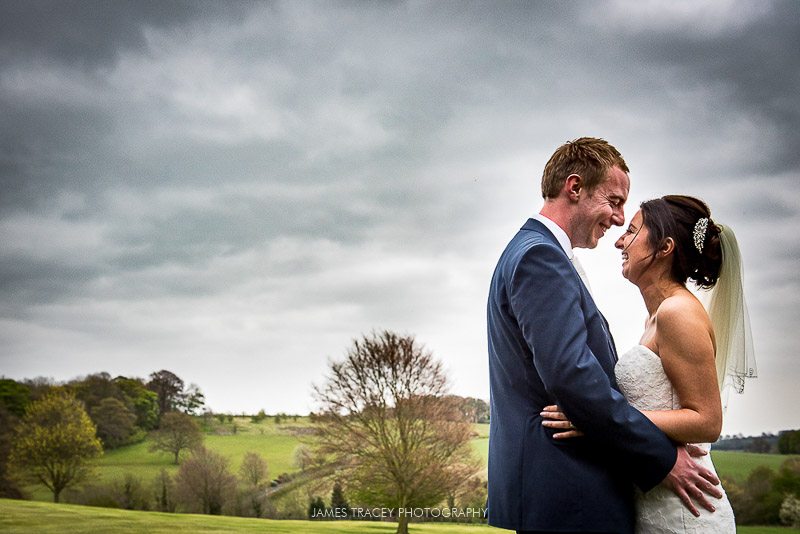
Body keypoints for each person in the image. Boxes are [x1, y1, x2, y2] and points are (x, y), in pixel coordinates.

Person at [486, 138, 723, 534]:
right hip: (569, 488)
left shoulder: (534, 252)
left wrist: (596, 421)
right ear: (574, 188)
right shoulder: (539, 256)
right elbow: (571, 376)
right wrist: (659, 458)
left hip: (568, 490)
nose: (618, 220)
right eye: (614, 202)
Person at [541, 195, 756, 532]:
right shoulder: (655, 319)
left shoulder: (678, 313)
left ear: (665, 246)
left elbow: (707, 421)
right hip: (656, 502)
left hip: (686, 514)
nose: (619, 241)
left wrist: (599, 420)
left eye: (632, 230)